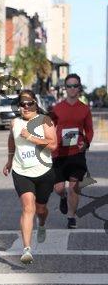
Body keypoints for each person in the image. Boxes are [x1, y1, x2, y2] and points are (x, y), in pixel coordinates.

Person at [3, 89, 57, 264]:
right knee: (28, 207)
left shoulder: (45, 121)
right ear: (18, 106)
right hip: (21, 171)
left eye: (29, 103)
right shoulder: (15, 123)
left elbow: (53, 145)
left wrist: (31, 137)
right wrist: (9, 161)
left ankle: (42, 224)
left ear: (35, 104)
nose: (26, 107)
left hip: (44, 171)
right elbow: (11, 140)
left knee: (40, 210)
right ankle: (26, 249)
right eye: (22, 104)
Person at [51, 73, 94, 229]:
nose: (72, 89)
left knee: (73, 187)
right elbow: (49, 128)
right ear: (65, 88)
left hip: (77, 153)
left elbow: (89, 130)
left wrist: (86, 143)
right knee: (59, 188)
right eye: (69, 86)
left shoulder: (84, 109)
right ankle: (62, 198)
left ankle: (71, 217)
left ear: (79, 88)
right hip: (59, 153)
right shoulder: (57, 108)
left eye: (75, 86)